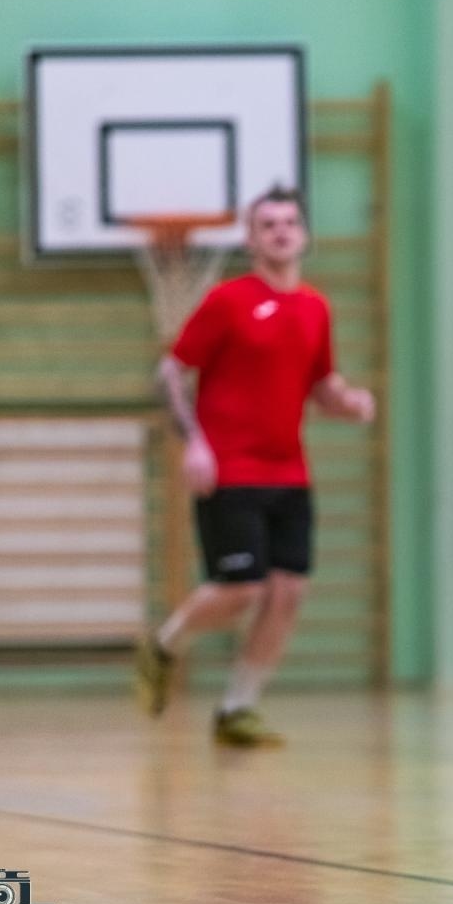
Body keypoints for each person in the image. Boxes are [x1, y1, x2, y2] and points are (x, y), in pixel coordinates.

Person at [134, 187, 376, 747]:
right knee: (241, 589)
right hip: (230, 472)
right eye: (268, 224)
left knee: (287, 593)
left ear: (304, 234)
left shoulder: (315, 307)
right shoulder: (228, 301)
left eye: (290, 222)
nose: (281, 231)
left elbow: (321, 384)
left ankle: (237, 708)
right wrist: (194, 442)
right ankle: (164, 644)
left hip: (290, 476)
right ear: (250, 239)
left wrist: (349, 402)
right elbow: (170, 372)